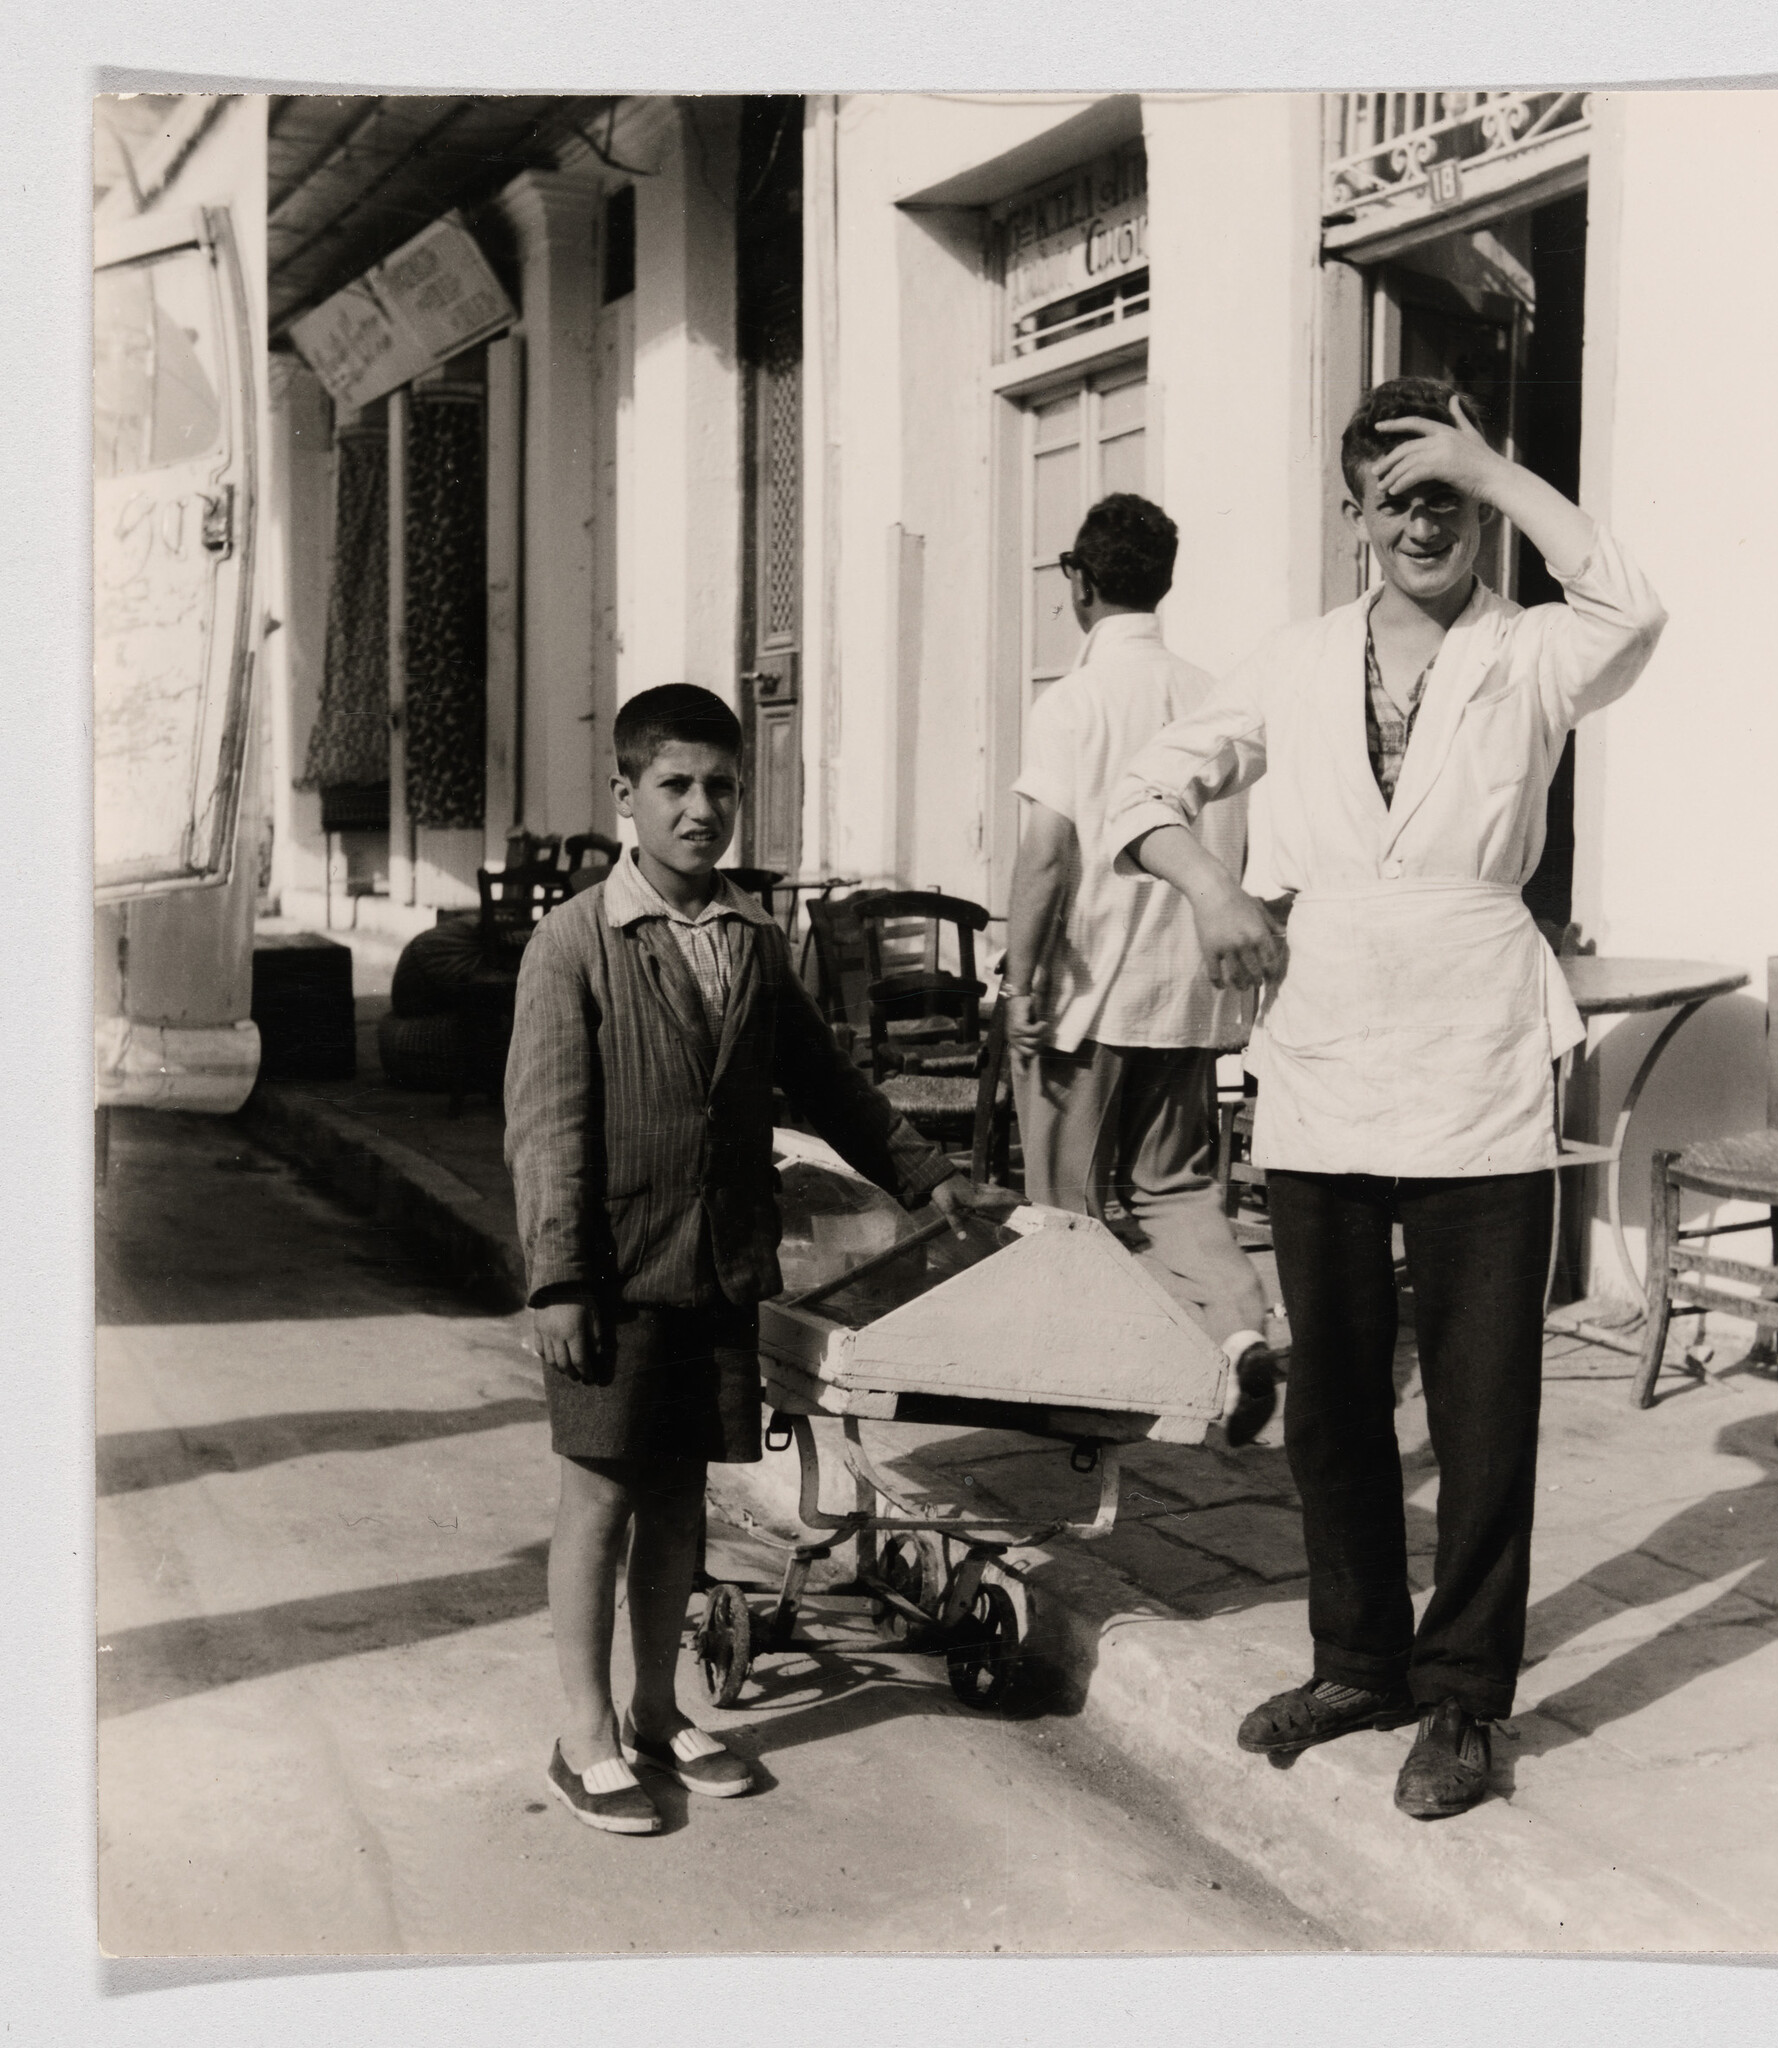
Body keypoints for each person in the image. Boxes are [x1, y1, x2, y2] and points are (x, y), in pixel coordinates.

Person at [1106, 378, 1667, 1819]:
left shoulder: (1532, 654)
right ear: (1354, 518)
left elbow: (1633, 609)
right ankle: (1359, 1658)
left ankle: (1468, 1697)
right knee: (1336, 1390)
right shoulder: (1293, 667)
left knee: (1482, 1394)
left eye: (1449, 497)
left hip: (1477, 1047)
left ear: (1478, 508)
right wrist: (1217, 889)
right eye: (1398, 496)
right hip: (1324, 1044)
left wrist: (1499, 464)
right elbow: (1142, 799)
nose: (1425, 521)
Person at [505, 683, 994, 1835]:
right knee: (601, 1493)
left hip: (721, 1267)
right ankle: (585, 1730)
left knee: (681, 1494)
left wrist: (928, 1172)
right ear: (625, 796)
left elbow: (827, 1082)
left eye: (722, 785)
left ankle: (657, 1707)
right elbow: (548, 1126)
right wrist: (562, 1278)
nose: (701, 807)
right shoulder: (574, 941)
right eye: (674, 785)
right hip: (614, 1275)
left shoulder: (753, 939)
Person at [1001, 493, 1278, 1439]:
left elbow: (1045, 857)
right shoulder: (1213, 693)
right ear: (1162, 582)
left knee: (1062, 1207)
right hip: (1191, 999)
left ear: (1079, 583)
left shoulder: (1072, 702)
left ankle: (1075, 1405)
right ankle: (1241, 1333)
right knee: (1177, 1192)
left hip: (1090, 995)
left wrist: (1018, 982)